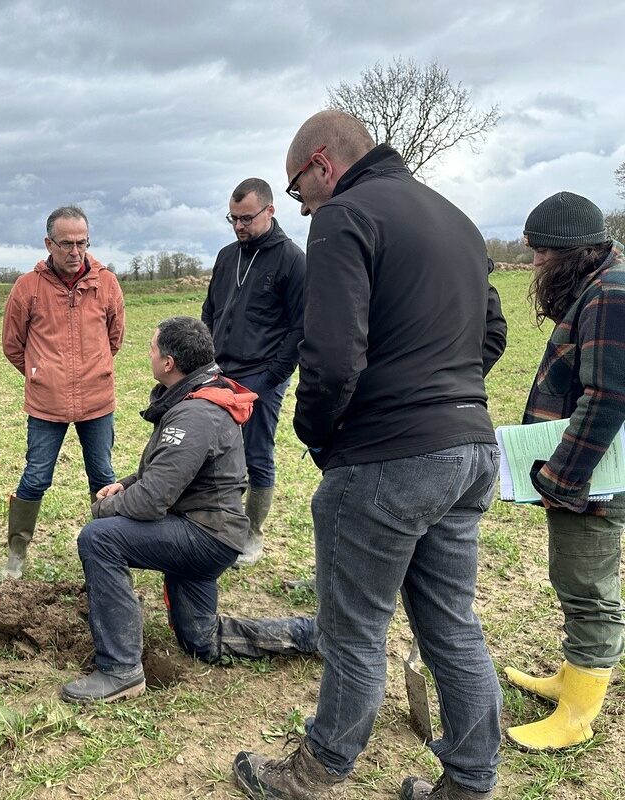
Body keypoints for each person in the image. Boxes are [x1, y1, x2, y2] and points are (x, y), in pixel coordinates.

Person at [233, 110, 508, 800]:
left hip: (386, 457)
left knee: (353, 630)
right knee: (452, 622)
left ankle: (312, 772)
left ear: (322, 163)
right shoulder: (457, 220)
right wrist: (446, 394)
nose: (302, 209)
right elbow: (494, 331)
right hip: (470, 449)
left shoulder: (345, 217)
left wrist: (324, 438)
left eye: (297, 193)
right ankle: (470, 782)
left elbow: (329, 355)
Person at [60, 318, 318, 703]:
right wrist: (127, 483)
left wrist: (106, 508)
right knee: (201, 640)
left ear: (168, 362)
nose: (147, 353)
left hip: (204, 536)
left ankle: (119, 669)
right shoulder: (196, 394)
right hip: (207, 528)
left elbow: (152, 502)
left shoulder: (195, 414)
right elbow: (169, 469)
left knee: (100, 539)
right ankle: (311, 635)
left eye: (151, 347)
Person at [503, 192, 625, 751]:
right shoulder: (598, 285)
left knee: (588, 583)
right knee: (574, 575)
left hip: (594, 475)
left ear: (570, 253)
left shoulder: (610, 293)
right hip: (588, 471)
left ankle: (579, 711)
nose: (534, 267)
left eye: (540, 256)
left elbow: (607, 398)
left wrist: (560, 478)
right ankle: (572, 676)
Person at [0, 206, 125, 579]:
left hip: (97, 401)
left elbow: (114, 338)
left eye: (82, 243)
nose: (75, 252)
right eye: (66, 243)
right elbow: (12, 344)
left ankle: (109, 555)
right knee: (36, 476)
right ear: (48, 243)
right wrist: (41, 374)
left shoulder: (107, 283)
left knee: (103, 477)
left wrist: (92, 370)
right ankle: (16, 553)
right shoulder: (28, 287)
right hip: (46, 403)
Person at [202, 177, 305, 566]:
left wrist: (274, 374)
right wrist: (207, 357)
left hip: (263, 375)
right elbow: (211, 309)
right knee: (215, 451)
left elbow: (300, 326)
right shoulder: (228, 255)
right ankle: (217, 522)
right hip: (219, 371)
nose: (239, 226)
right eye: (233, 218)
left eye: (246, 218)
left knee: (257, 454)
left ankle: (252, 533)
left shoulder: (292, 259)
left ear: (270, 211)